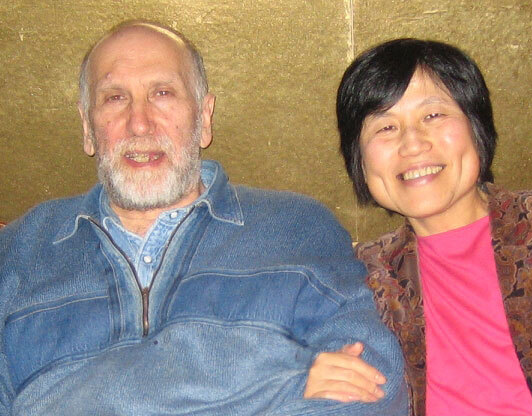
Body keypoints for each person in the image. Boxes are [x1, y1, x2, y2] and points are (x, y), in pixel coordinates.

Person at [0, 21, 407, 415]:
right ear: (88, 127)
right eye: (115, 98)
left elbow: (371, 387)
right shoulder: (20, 251)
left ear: (204, 117)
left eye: (162, 93)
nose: (139, 123)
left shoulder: (296, 228)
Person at [333, 38, 532, 415]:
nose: (412, 144)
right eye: (385, 127)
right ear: (359, 160)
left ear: (476, 126)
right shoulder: (361, 278)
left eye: (433, 115)